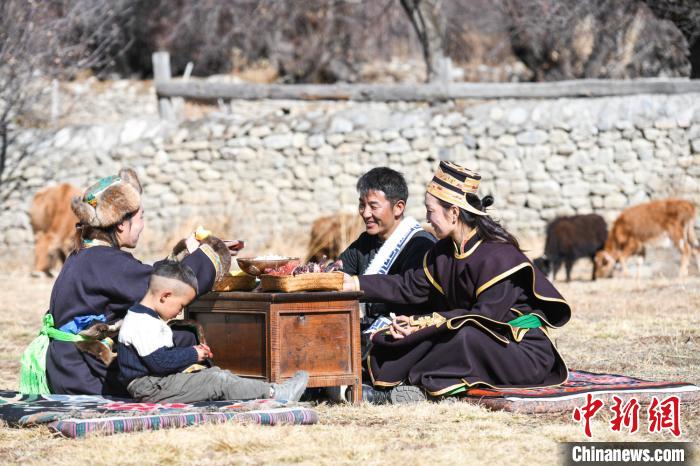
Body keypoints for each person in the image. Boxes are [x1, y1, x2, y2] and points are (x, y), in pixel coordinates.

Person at [343, 161, 571, 404]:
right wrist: (355, 284)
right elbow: (407, 286)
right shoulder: (442, 253)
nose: (428, 219)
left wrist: (426, 323)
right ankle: (391, 383)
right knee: (393, 336)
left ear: (453, 212)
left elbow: (486, 318)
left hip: (517, 349)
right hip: (468, 331)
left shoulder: (498, 256)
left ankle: (406, 391)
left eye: (431, 211)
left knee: (462, 336)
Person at [20, 168, 238, 396]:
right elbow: (162, 287)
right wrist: (212, 252)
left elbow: (143, 278)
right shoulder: (105, 261)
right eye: (141, 217)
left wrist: (185, 252)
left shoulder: (86, 254)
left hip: (67, 367)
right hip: (86, 375)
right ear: (121, 224)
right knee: (186, 339)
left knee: (174, 336)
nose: (143, 225)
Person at [118, 261, 308, 402]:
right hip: (149, 388)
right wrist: (193, 353)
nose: (179, 311)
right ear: (165, 296)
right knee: (217, 380)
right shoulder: (141, 322)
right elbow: (160, 362)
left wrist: (192, 355)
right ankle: (277, 394)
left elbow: (161, 357)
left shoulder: (147, 318)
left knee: (218, 374)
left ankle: (268, 390)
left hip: (156, 384)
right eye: (181, 305)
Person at [339, 167, 435, 324]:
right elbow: (339, 272)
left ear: (398, 207)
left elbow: (410, 292)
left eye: (373, 206)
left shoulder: (421, 245)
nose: (365, 213)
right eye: (362, 205)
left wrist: (357, 284)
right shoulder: (365, 243)